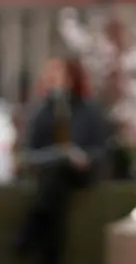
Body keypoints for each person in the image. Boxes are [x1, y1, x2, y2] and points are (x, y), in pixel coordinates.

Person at [14, 56, 110, 264]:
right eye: (52, 76)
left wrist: (84, 157)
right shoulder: (41, 111)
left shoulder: (90, 110)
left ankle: (28, 235)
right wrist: (61, 154)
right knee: (56, 178)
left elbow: (102, 149)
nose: (56, 81)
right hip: (52, 174)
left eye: (61, 75)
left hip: (82, 174)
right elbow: (28, 154)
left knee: (55, 182)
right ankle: (51, 256)